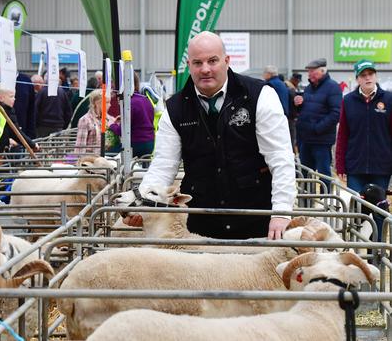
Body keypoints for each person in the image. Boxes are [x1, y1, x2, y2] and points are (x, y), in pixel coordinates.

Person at [130, 31, 295, 240]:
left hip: (255, 219)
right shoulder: (175, 108)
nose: (205, 69)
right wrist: (143, 203)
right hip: (200, 223)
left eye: (213, 61)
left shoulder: (259, 95)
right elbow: (163, 164)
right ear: (189, 65)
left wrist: (280, 212)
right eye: (197, 63)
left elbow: (280, 157)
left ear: (227, 61)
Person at [336, 59, 392, 194]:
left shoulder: (389, 99)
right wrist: (340, 165)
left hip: (382, 166)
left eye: (371, 74)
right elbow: (343, 134)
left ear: (376, 76)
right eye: (363, 75)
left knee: (379, 211)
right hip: (355, 166)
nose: (367, 77)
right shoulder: (348, 100)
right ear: (357, 79)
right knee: (357, 209)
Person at [294, 58, 342, 191]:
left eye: (312, 71)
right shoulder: (309, 88)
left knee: (323, 172)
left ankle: (325, 202)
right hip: (306, 139)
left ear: (322, 71)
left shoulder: (333, 87)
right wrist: (299, 105)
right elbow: (310, 108)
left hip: (321, 139)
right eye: (308, 71)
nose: (309, 74)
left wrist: (317, 128)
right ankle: (307, 202)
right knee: (305, 172)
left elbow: (336, 113)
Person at [0, 84, 39, 157]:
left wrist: (31, 144)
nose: (14, 99)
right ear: (1, 98)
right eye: (11, 96)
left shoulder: (7, 111)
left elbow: (15, 132)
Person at [108, 72, 155, 158]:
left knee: (106, 154)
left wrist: (111, 125)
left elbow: (122, 131)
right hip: (150, 144)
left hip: (136, 144)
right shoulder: (146, 100)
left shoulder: (129, 103)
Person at [74, 89, 112, 155]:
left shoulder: (109, 119)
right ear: (97, 103)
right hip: (90, 160)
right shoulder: (85, 120)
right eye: (107, 102)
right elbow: (80, 148)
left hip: (108, 158)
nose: (110, 105)